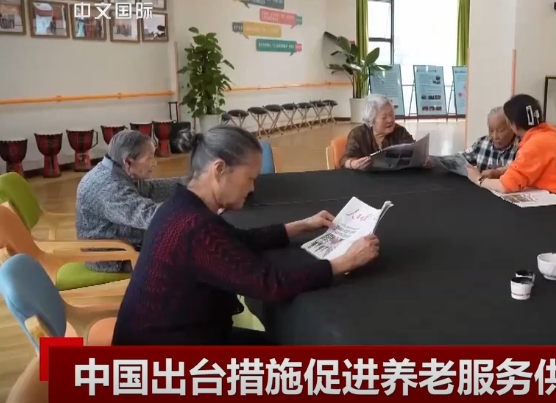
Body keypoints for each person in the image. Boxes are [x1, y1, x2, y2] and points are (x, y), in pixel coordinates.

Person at [111, 125, 380, 346]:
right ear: (219, 170)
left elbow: (236, 241)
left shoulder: (182, 206)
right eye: (249, 178)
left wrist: (300, 226)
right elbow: (271, 285)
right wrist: (344, 262)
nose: (252, 189)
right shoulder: (195, 227)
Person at [75, 130, 181, 273]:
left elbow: (151, 189)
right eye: (149, 158)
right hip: (113, 258)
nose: (154, 163)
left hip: (124, 242)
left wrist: (191, 183)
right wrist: (193, 208)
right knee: (187, 257)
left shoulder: (116, 170)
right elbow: (150, 216)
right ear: (128, 161)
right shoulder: (110, 187)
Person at [467, 94, 556, 203]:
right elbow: (529, 165)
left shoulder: (534, 144)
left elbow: (505, 186)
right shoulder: (555, 133)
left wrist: (478, 179)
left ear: (514, 125)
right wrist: (499, 172)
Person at [341, 93, 432, 170]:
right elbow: (345, 159)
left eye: (392, 114)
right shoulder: (357, 134)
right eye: (384, 117)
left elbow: (415, 151)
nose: (390, 120)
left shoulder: (400, 131)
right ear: (371, 120)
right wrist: (353, 164)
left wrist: (424, 160)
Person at [461, 106, 519, 179]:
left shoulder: (522, 147)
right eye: (491, 130)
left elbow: (523, 171)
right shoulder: (482, 143)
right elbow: (461, 158)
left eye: (500, 131)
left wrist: (499, 173)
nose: (495, 136)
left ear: (512, 127)